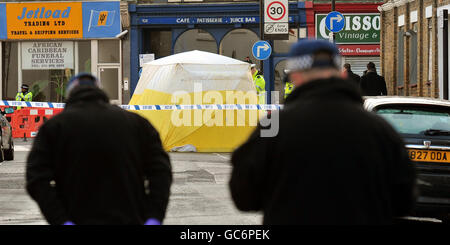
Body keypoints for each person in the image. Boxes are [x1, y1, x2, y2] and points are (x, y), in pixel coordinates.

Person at [229, 39, 416, 225]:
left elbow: (243, 195)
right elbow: (404, 200)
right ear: (341, 75)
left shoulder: (273, 125)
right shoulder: (379, 129)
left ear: (295, 76)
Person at [26, 73, 172, 225]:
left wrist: (61, 220)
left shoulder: (53, 128)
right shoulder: (137, 124)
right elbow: (161, 171)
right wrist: (154, 217)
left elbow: (36, 178)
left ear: (69, 96)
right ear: (101, 92)